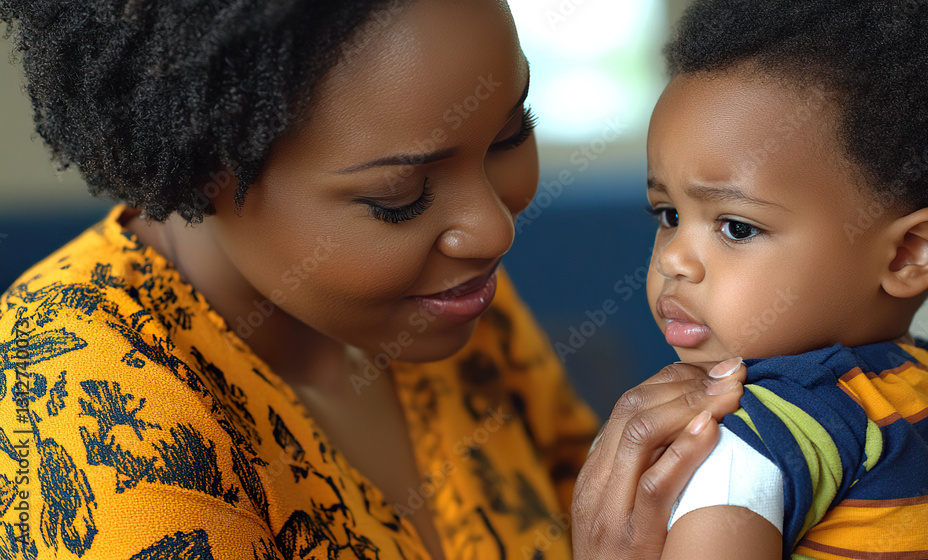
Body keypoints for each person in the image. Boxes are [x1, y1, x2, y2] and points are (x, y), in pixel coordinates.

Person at [0, 1, 747, 558]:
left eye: (511, 133)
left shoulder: (447, 299)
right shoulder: (92, 423)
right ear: (206, 170)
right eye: (399, 197)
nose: (494, 230)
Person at [644, 0, 928, 558]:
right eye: (668, 215)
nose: (674, 261)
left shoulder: (746, 444)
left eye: (736, 226)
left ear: (908, 253)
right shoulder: (742, 447)